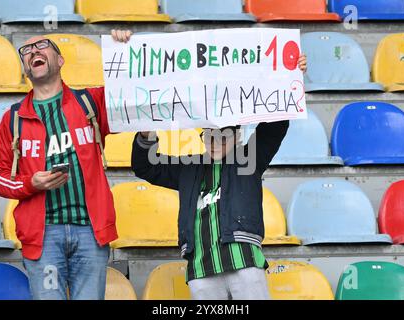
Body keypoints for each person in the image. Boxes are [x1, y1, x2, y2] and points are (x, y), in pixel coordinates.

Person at [132, 55, 307, 300]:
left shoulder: (250, 159)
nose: (215, 141)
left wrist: (289, 76)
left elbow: (275, 126)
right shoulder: (189, 167)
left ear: (237, 137)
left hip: (244, 263)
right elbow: (146, 167)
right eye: (209, 134)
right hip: (202, 270)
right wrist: (146, 133)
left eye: (223, 135)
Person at [0, 30, 133, 300]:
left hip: (90, 230)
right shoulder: (12, 119)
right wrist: (31, 183)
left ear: (61, 59)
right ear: (25, 70)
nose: (33, 51)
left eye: (42, 46)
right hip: (43, 237)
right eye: (26, 51)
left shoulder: (91, 103)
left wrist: (123, 48)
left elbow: (132, 95)